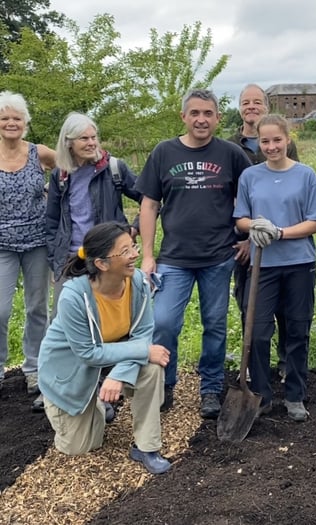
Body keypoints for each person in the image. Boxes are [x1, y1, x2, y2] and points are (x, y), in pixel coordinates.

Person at [135, 88, 252, 418]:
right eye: (195, 113)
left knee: (214, 324)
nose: (202, 119)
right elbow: (149, 205)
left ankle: (211, 388)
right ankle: (165, 383)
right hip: (174, 257)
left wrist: (248, 239)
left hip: (219, 256)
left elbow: (251, 197)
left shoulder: (231, 154)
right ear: (183, 116)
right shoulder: (164, 152)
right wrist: (147, 254)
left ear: (217, 117)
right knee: (164, 322)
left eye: (208, 113)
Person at [38, 222, 171, 474]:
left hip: (111, 354)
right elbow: (87, 352)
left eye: (133, 246)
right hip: (70, 371)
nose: (135, 254)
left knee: (153, 366)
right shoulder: (74, 297)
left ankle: (147, 447)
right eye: (125, 251)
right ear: (101, 264)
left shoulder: (139, 284)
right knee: (80, 447)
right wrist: (142, 351)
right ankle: (92, 402)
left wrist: (119, 375)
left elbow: (142, 334)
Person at [234, 114, 316, 421]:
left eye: (277, 140)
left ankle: (295, 395)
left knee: (297, 330)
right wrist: (254, 225)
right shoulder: (250, 177)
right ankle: (261, 394)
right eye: (265, 141)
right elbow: (241, 218)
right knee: (257, 331)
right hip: (263, 265)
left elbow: (315, 223)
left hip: (299, 263)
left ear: (288, 139)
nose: (271, 147)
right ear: (258, 142)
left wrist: (280, 232)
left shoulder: (306, 175)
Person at [227, 83, 300, 380]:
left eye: (257, 102)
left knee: (285, 306)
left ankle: (284, 363)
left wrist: (276, 232)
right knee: (250, 305)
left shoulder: (285, 145)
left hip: (282, 239)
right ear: (240, 107)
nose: (251, 107)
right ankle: (255, 366)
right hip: (246, 242)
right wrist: (246, 238)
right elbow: (233, 196)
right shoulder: (231, 145)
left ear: (266, 107)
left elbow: (290, 189)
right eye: (246, 102)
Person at [46, 112, 141, 317]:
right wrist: (55, 258)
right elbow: (52, 220)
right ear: (69, 142)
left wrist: (134, 228)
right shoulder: (60, 175)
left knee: (109, 316)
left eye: (94, 137)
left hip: (108, 257)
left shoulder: (114, 168)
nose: (91, 143)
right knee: (63, 319)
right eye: (84, 138)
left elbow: (149, 199)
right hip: (70, 259)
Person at [0, 91, 56, 401]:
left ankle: (34, 367)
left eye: (16, 118)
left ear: (25, 122)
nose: (11, 123)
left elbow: (69, 172)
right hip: (2, 245)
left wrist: (52, 194)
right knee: (0, 309)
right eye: (5, 118)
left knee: (37, 308)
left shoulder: (40, 154)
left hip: (37, 241)